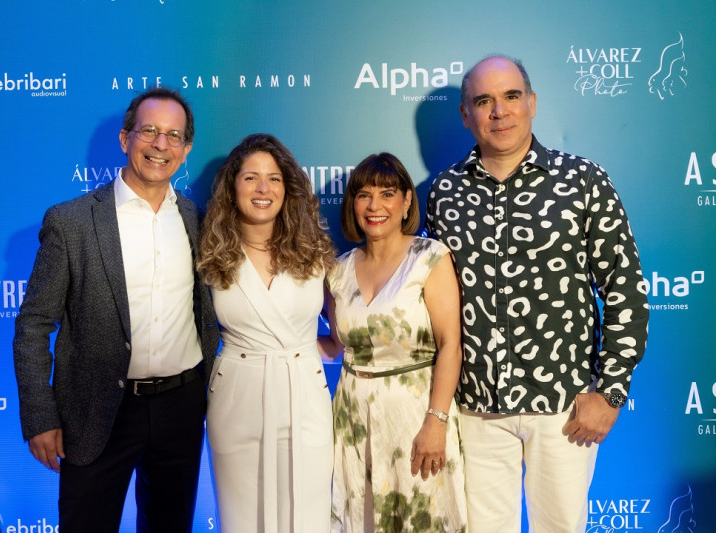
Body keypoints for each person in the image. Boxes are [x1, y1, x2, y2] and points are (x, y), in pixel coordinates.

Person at [425, 55, 650, 533]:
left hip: (564, 407)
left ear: (532, 104)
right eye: (483, 101)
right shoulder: (444, 192)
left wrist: (610, 393)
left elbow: (626, 288)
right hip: (477, 408)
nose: (499, 111)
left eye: (510, 97)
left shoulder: (583, 180)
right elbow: (434, 306)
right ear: (466, 115)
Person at [13, 87, 219, 533]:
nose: (160, 144)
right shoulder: (71, 222)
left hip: (182, 408)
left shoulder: (198, 221)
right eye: (149, 131)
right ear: (126, 139)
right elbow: (33, 325)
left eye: (173, 135)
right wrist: (40, 417)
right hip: (98, 408)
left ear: (185, 150)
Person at [320, 152, 467, 532]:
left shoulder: (429, 258)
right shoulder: (336, 270)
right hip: (353, 419)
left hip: (416, 416)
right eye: (363, 194)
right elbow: (339, 346)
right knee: (361, 517)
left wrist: (436, 422)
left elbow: (451, 344)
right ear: (352, 204)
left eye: (387, 194)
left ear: (405, 202)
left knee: (423, 517)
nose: (374, 205)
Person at [198, 133, 336, 533]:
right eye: (251, 178)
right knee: (242, 518)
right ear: (232, 187)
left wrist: (308, 352)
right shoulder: (209, 253)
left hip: (305, 396)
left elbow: (343, 333)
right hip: (236, 397)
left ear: (287, 187)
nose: (263, 189)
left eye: (274, 178)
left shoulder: (314, 251)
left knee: (308, 517)